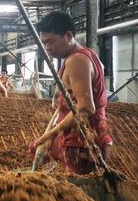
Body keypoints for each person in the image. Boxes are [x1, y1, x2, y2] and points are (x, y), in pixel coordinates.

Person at [31, 11, 113, 174]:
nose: (48, 48)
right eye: (44, 43)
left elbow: (85, 108)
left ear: (68, 35)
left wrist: (50, 135)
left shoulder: (77, 60)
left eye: (51, 42)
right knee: (37, 148)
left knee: (74, 192)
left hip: (82, 143)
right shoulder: (84, 54)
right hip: (79, 139)